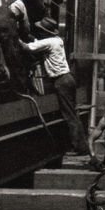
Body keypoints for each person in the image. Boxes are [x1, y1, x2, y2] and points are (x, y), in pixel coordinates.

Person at [19, 17, 89, 156]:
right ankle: (82, 146)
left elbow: (27, 48)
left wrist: (13, 37)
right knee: (73, 113)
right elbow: (40, 43)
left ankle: (80, 148)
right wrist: (32, 38)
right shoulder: (57, 40)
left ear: (45, 32)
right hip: (68, 78)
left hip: (61, 81)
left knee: (69, 115)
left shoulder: (49, 42)